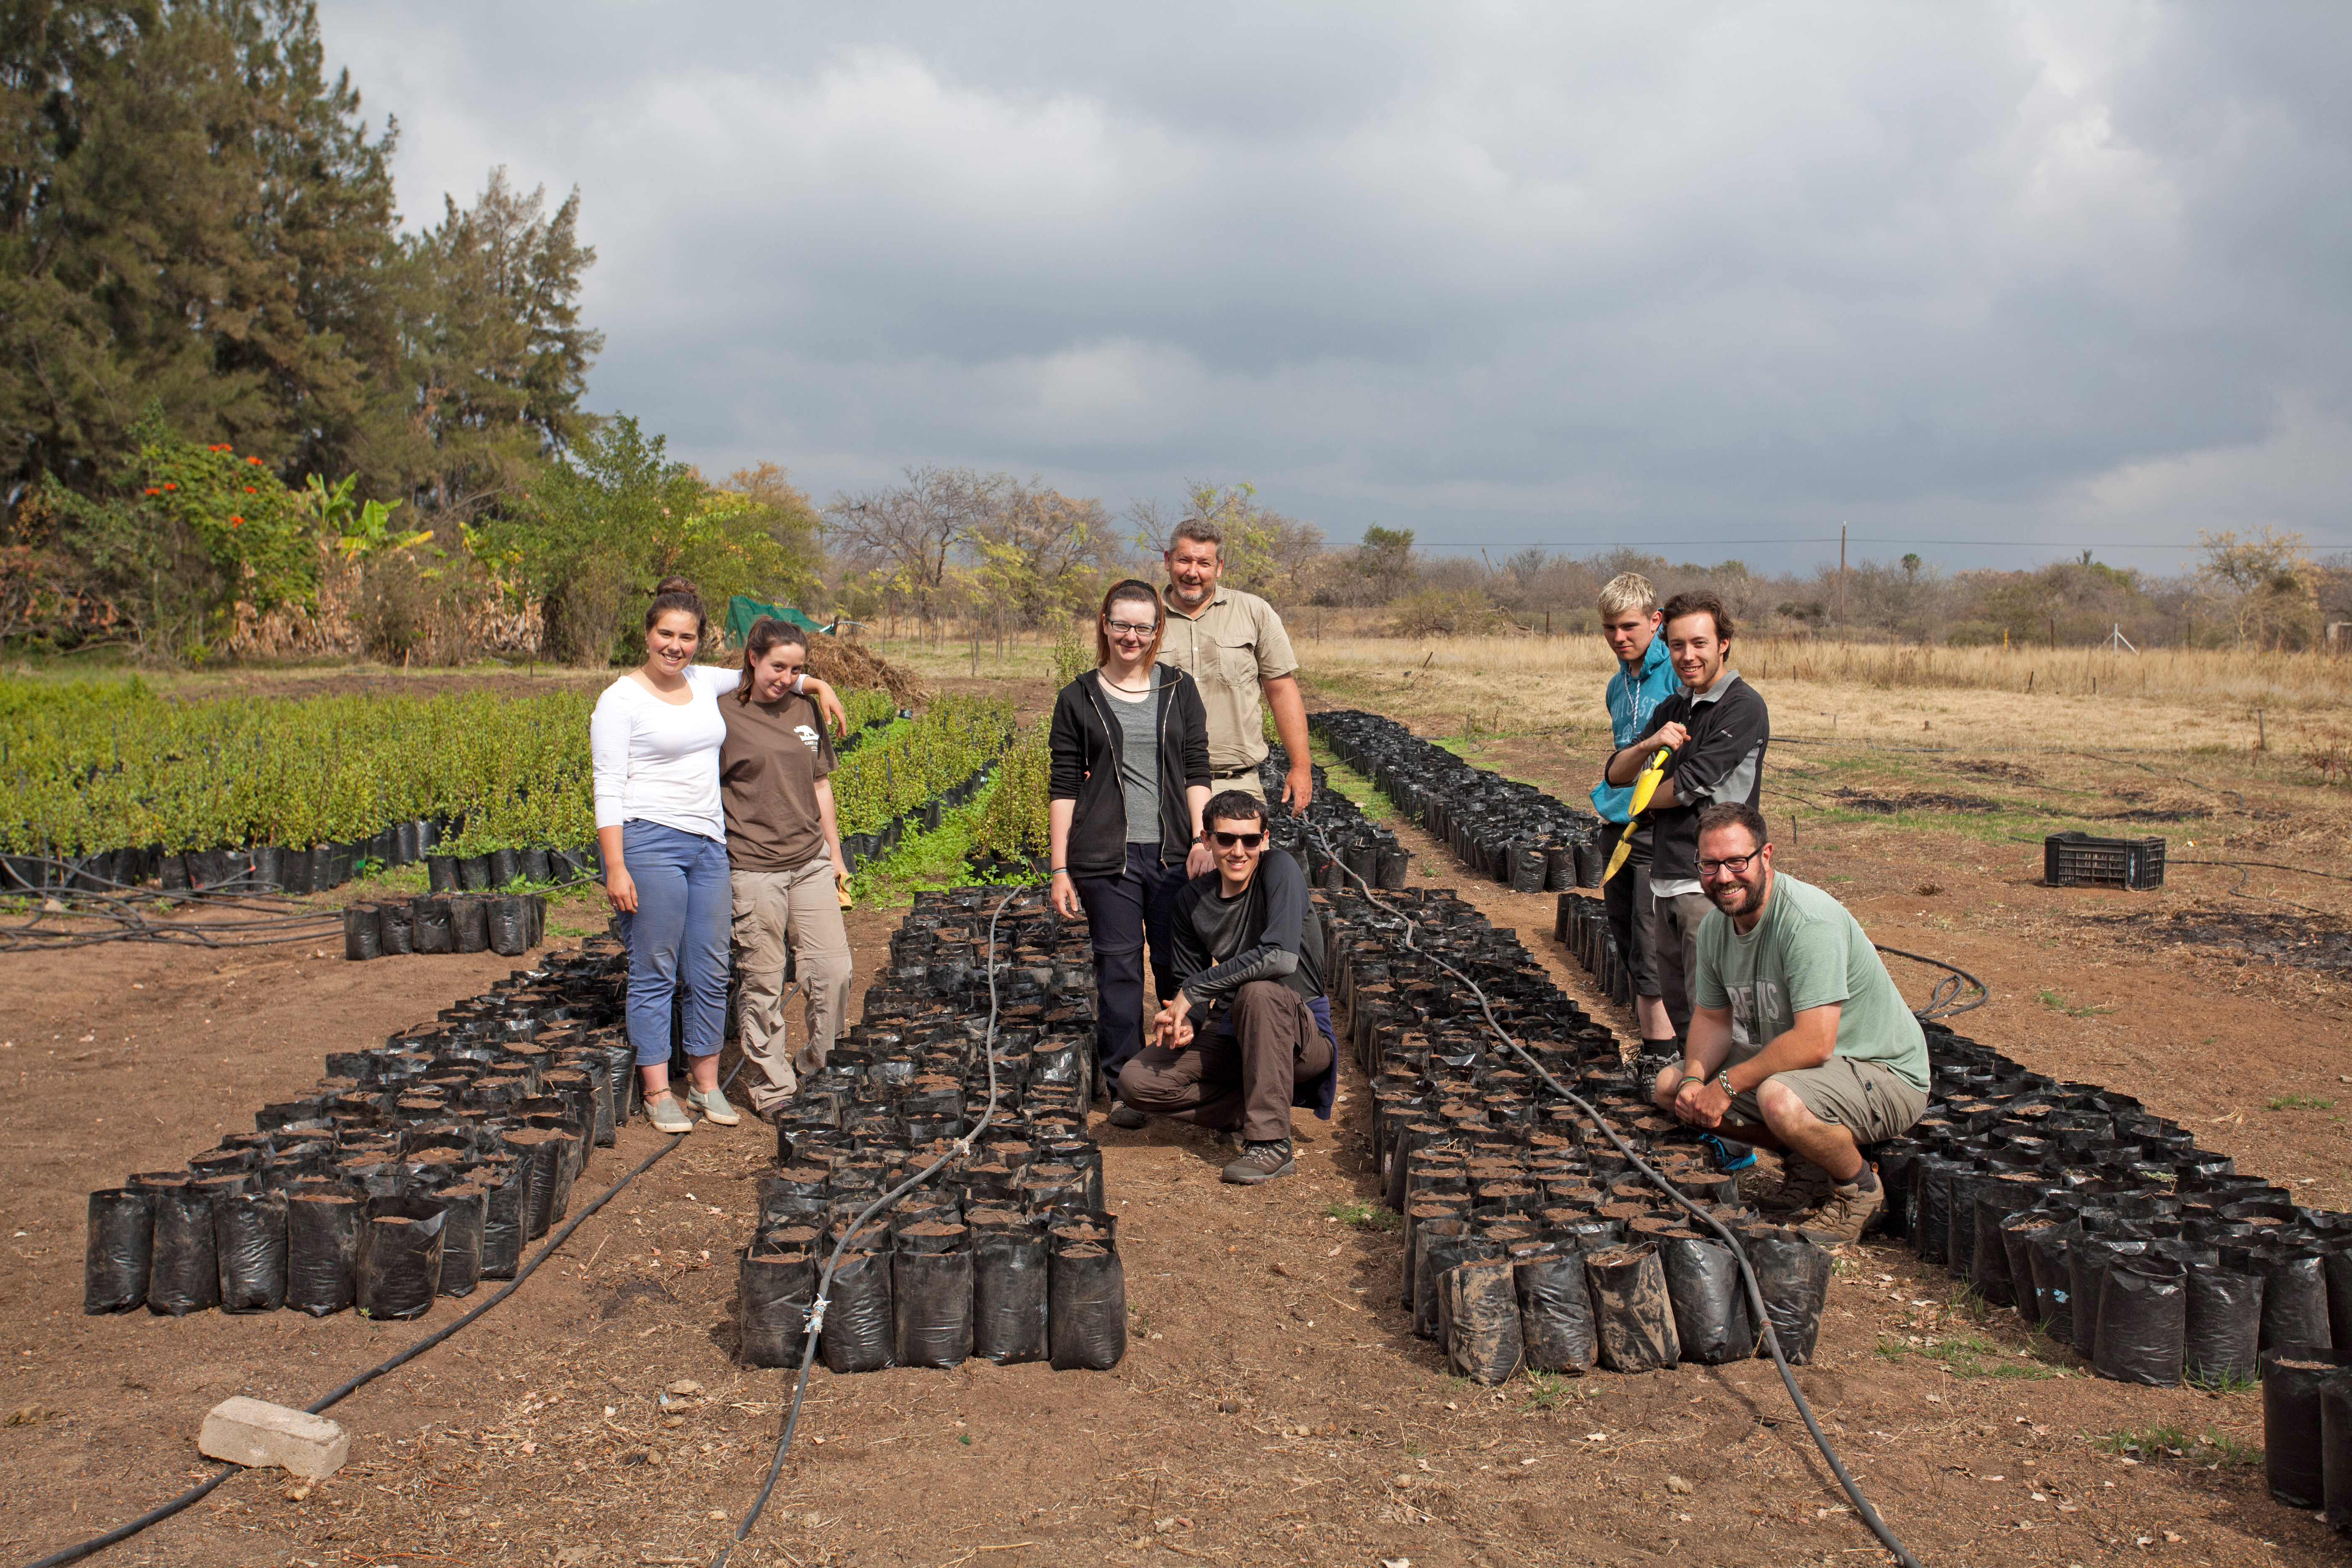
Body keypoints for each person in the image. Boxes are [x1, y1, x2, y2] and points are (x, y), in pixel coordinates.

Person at [592, 578, 845, 1135]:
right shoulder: (621, 699)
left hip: (709, 844)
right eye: (666, 634)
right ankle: (660, 1091)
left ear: (700, 642)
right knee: (656, 968)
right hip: (649, 840)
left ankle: (706, 1086)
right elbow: (607, 785)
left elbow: (769, 672)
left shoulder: (703, 681)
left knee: (709, 971)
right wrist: (615, 865)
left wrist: (818, 683)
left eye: (686, 637)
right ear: (647, 634)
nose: (675, 646)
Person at [1651, 802, 1929, 1242]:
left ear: (1765, 856)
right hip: (1803, 1070)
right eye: (1710, 865)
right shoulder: (1715, 928)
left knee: (1778, 1098)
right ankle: (1807, 1162)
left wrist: (1724, 1087)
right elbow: (1712, 1018)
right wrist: (1694, 1080)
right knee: (1670, 1088)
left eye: (1736, 862)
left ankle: (1859, 1190)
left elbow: (1816, 1043)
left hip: (1881, 1071)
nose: (1723, 877)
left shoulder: (1807, 922)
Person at [1048, 580, 1215, 1117]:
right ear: (1105, 623)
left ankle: (1179, 1071)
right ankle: (1125, 1086)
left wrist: (1201, 839)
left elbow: (1196, 768)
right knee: (1118, 970)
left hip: (1171, 856)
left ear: (1156, 631)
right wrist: (1059, 868)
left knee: (1177, 966)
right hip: (1106, 858)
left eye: (1143, 626)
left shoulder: (1179, 689)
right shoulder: (1078, 696)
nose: (1132, 636)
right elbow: (1064, 785)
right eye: (1122, 624)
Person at [1120, 790, 1341, 1186]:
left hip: (1301, 1035)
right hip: (1234, 1030)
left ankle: (1271, 1141)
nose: (1238, 851)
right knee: (1136, 1083)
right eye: (1226, 839)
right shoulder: (1191, 900)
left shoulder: (1280, 870)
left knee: (1259, 991)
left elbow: (1280, 958)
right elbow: (1192, 985)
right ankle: (1261, 1101)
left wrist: (1197, 989)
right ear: (1206, 840)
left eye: (1250, 840)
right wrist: (1190, 1021)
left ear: (1265, 840)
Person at [1603, 589, 1769, 1040]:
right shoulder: (1673, 708)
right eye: (1677, 645)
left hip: (1714, 882)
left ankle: (1727, 1099)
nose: (1688, 656)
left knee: (1713, 1011)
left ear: (1723, 644)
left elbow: (1688, 786)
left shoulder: (1742, 707)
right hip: (1667, 874)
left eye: (1699, 643)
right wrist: (1647, 745)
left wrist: (1642, 793)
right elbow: (1616, 774)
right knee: (1679, 1007)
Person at [719, 615, 855, 1122]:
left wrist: (836, 855)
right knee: (764, 979)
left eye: (796, 668)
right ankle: (771, 1085)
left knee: (834, 971)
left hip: (810, 861)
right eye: (778, 666)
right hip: (754, 868)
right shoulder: (723, 715)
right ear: (753, 658)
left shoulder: (805, 708)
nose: (785, 677)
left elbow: (820, 785)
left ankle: (816, 1065)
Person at [1157, 517, 1315, 812]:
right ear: (1168, 561)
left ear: (1219, 567)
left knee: (1242, 858)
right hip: (1161, 783)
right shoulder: (1144, 617)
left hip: (1237, 783)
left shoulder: (1255, 612)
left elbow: (1281, 691)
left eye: (1204, 563)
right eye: (1184, 561)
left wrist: (1301, 766)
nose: (1193, 573)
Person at [1587, 572, 1682, 1058]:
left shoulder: (1675, 676)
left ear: (1655, 621)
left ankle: (1664, 1056)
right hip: (1617, 825)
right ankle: (1658, 1051)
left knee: (1653, 949)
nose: (1619, 638)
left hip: (1657, 829)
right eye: (1609, 629)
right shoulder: (1616, 686)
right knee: (1627, 940)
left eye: (1629, 627)